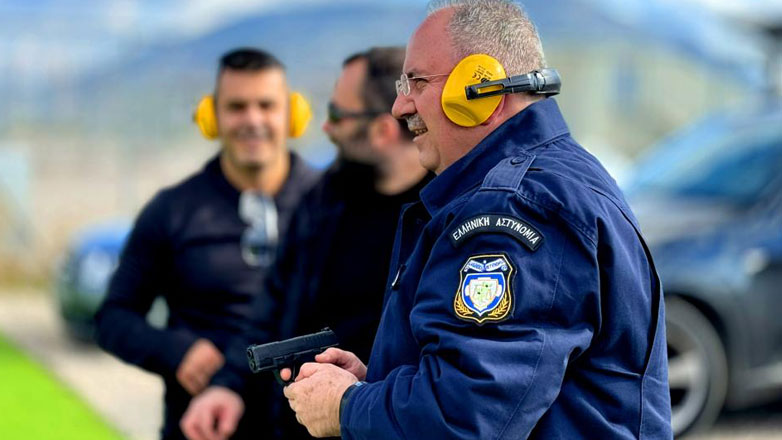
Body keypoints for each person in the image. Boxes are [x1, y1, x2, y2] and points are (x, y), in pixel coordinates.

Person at [282, 1, 673, 439]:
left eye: (416, 82)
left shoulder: (514, 209)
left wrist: (345, 406)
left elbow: (463, 416)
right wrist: (373, 384)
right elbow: (505, 384)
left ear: (479, 87)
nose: (399, 106)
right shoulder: (549, 181)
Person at [180, 46, 431, 440]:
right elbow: (272, 304)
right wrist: (227, 386)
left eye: (338, 115)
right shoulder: (325, 199)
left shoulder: (447, 217)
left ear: (382, 131)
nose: (326, 128)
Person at [96, 48, 319, 440]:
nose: (253, 120)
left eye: (266, 105)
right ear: (211, 116)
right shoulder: (172, 210)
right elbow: (113, 318)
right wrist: (174, 349)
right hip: (203, 428)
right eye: (237, 107)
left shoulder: (332, 206)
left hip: (309, 428)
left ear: (293, 114)